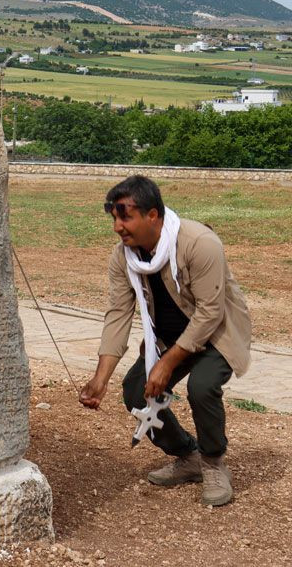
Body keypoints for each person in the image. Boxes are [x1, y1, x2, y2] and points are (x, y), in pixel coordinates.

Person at [79, 175, 251, 507]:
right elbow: (118, 315)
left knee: (201, 387)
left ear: (152, 215)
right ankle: (187, 456)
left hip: (217, 333)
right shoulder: (124, 257)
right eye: (113, 217)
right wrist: (100, 379)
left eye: (125, 216)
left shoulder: (199, 243)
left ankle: (214, 463)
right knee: (135, 391)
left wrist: (167, 363)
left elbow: (211, 312)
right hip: (169, 339)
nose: (117, 226)